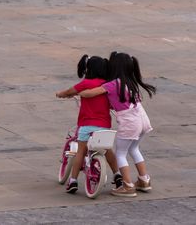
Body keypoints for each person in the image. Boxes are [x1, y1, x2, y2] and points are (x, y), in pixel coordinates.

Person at [78, 52, 156, 197]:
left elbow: (91, 93)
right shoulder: (131, 82)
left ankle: (127, 186)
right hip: (143, 119)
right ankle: (144, 180)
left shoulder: (113, 84)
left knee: (120, 153)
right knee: (134, 149)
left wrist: (80, 92)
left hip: (130, 122)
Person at [55, 55, 121, 194]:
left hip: (86, 125)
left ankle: (73, 181)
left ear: (88, 69)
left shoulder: (86, 84)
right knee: (107, 150)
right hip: (104, 126)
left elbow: (69, 92)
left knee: (81, 151)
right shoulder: (106, 84)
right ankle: (117, 174)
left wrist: (60, 94)